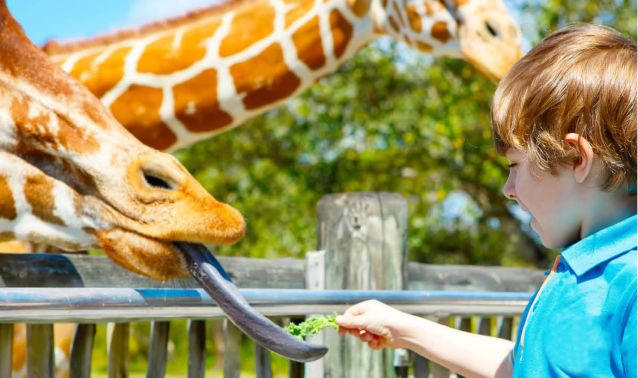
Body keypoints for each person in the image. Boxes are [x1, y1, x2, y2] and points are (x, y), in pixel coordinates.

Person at [336, 23, 637, 377]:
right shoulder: (579, 274)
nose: (508, 189)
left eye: (514, 165)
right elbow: (522, 366)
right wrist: (404, 329)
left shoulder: (628, 286)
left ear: (576, 159)